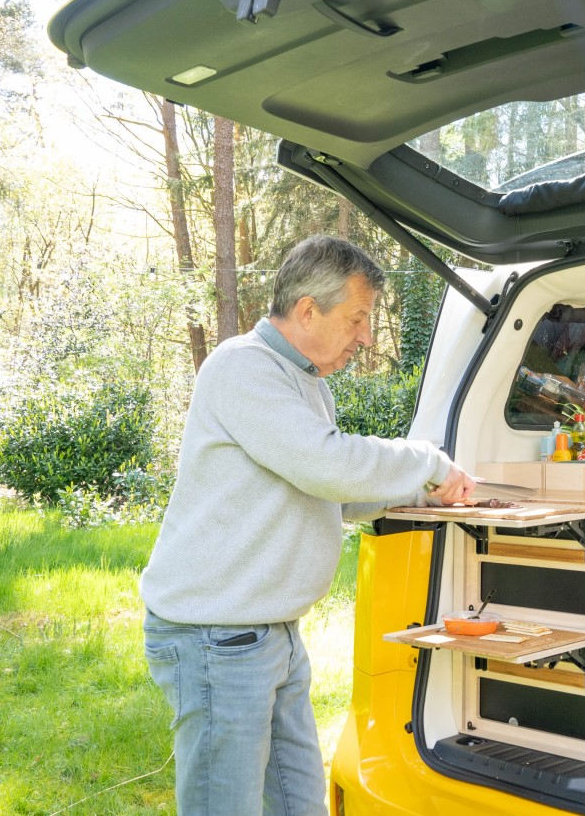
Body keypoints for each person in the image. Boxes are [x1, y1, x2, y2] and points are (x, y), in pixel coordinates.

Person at [139, 235, 474, 816]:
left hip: (269, 631)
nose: (366, 337)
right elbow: (326, 463)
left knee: (300, 803)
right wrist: (430, 463)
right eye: (357, 318)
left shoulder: (307, 385)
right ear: (307, 310)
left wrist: (423, 498)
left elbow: (327, 494)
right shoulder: (243, 367)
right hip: (217, 634)